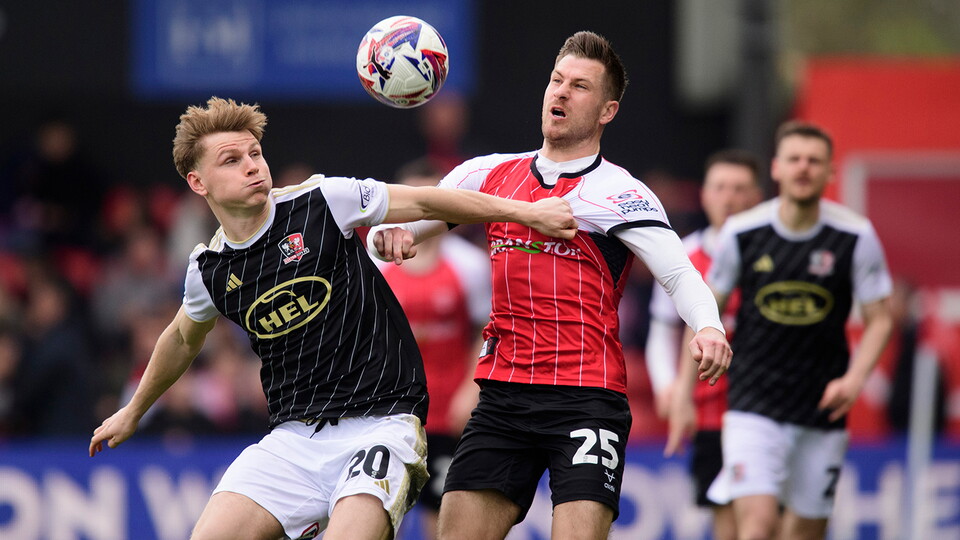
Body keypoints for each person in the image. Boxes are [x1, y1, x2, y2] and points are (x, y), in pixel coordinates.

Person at [88, 96, 578, 540]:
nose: (253, 167)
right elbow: (180, 338)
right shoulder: (209, 269)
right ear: (197, 182)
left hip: (384, 423)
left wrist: (526, 213)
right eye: (231, 161)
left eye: (255, 154)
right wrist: (133, 411)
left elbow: (428, 200)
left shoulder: (323, 202)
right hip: (292, 439)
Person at [369, 31, 732, 540]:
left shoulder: (621, 194)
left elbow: (677, 273)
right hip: (503, 396)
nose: (560, 93)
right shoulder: (487, 174)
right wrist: (392, 238)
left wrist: (708, 326)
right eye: (557, 80)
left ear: (607, 111)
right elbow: (412, 225)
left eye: (579, 86)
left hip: (586, 396)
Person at [703, 121, 894, 540]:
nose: (803, 168)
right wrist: (706, 340)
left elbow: (880, 318)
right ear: (776, 168)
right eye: (794, 159)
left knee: (804, 532)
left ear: (831, 172)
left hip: (821, 405)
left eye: (814, 161)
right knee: (757, 525)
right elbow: (707, 307)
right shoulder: (743, 232)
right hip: (753, 400)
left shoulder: (854, 235)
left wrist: (854, 379)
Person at [645, 149, 762, 540]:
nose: (729, 198)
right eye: (720, 187)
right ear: (705, 195)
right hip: (710, 408)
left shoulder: (774, 253)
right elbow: (664, 330)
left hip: (767, 405)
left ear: (757, 197)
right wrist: (670, 387)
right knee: (725, 516)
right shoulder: (680, 257)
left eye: (740, 189)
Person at [373, 157, 491, 540]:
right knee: (375, 513)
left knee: (440, 513)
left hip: (447, 413)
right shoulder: (375, 262)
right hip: (387, 411)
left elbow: (490, 329)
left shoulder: (470, 265)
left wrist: (471, 389)